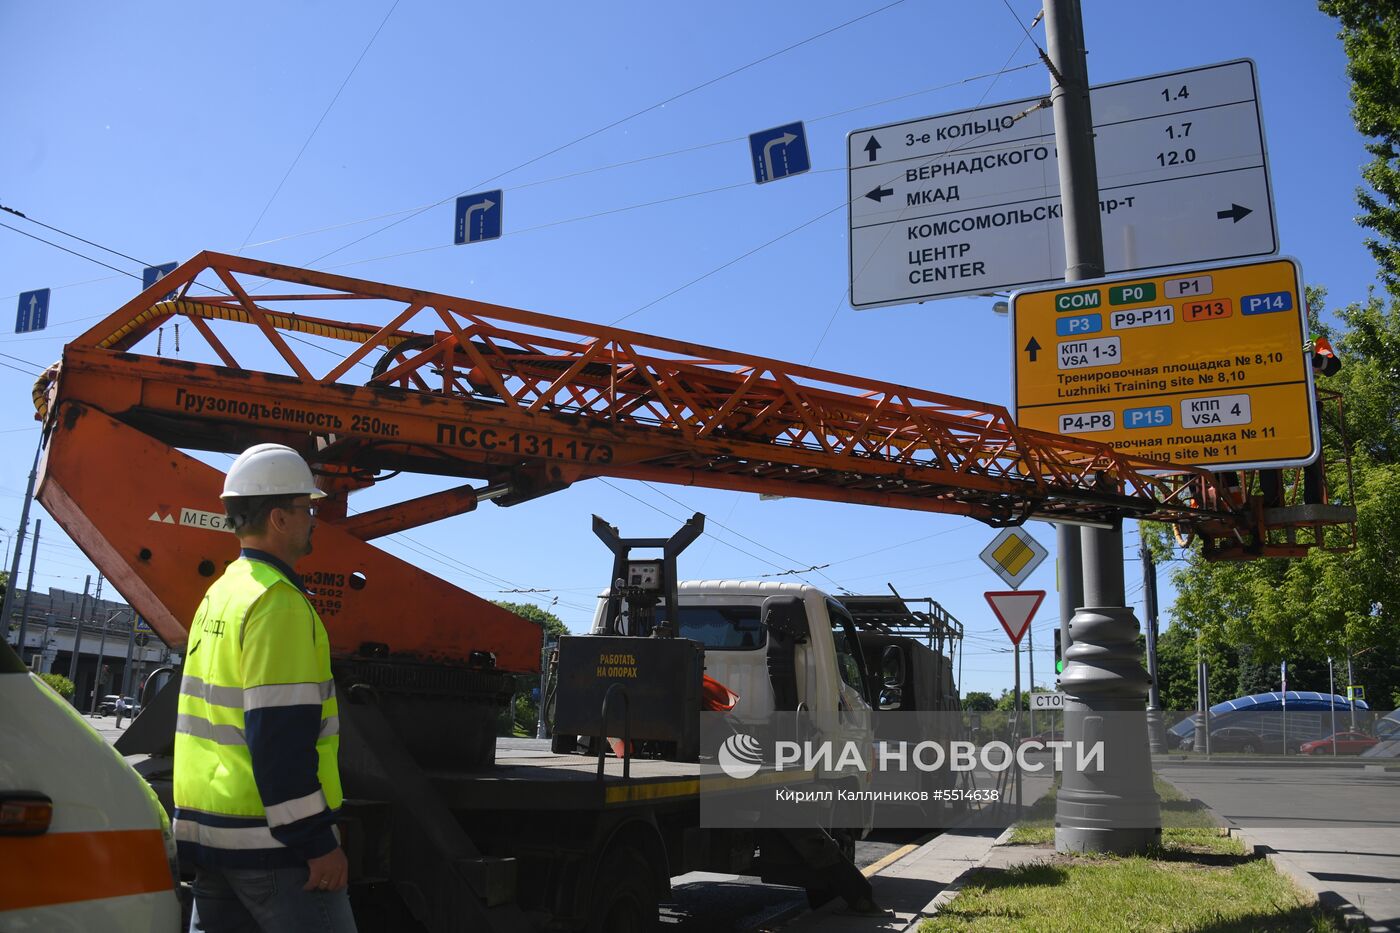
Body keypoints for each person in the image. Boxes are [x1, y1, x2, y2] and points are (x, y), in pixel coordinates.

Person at [173, 443, 355, 932]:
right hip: (275, 849)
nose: (313, 518)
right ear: (279, 518)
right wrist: (317, 842)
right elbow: (278, 737)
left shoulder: (221, 594)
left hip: (213, 839)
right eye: (306, 508)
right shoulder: (278, 604)